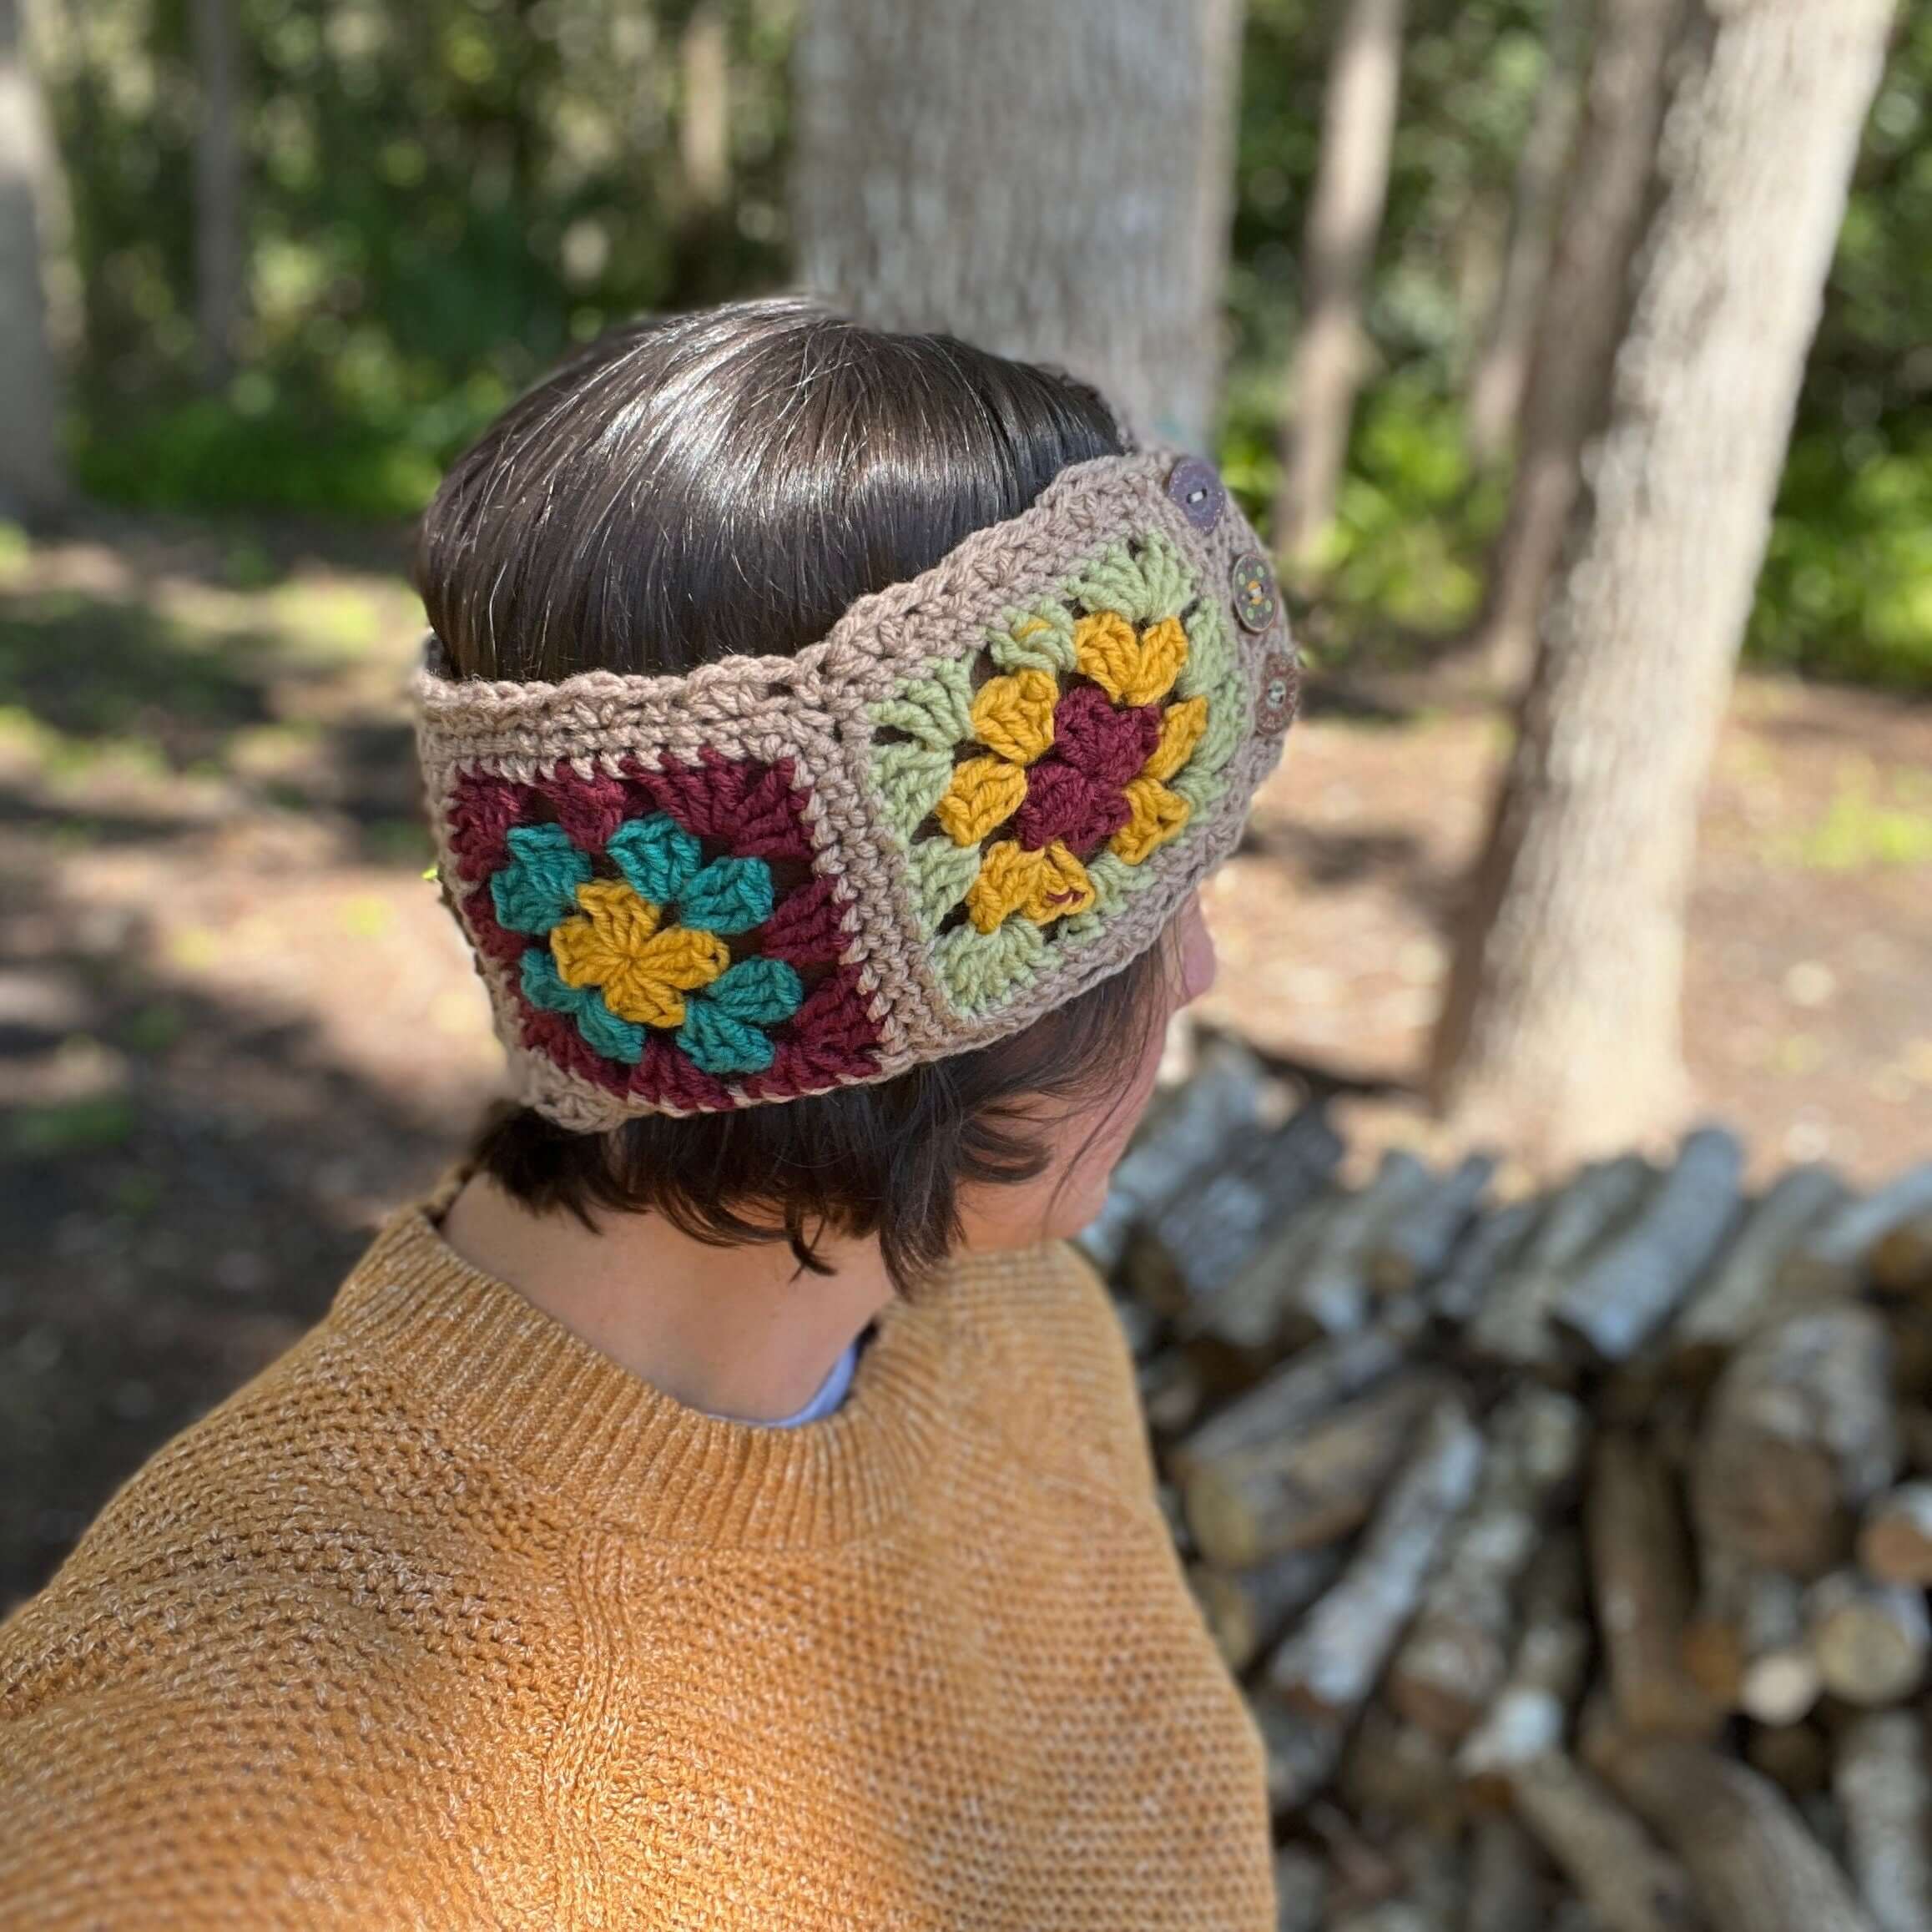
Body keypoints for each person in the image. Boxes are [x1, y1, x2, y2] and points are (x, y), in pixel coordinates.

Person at [0, 296, 1302, 1929]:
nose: (1198, 967)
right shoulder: (206, 1795)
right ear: (904, 1001)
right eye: (1131, 911)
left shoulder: (1021, 1328)